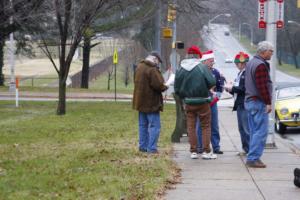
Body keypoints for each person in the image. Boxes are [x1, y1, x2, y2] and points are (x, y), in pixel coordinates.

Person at [174, 46, 217, 159]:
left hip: (188, 101)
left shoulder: (181, 68)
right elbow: (212, 82)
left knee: (191, 127)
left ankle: (193, 151)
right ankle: (206, 151)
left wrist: (183, 97)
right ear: (198, 56)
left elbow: (177, 88)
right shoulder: (202, 67)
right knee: (205, 126)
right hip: (203, 101)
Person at [244, 41, 274, 168]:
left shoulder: (251, 62)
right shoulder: (261, 65)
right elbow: (262, 86)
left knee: (254, 131)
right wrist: (268, 102)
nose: (272, 53)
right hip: (258, 101)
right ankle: (253, 158)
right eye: (270, 51)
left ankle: (253, 156)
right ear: (264, 51)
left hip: (250, 101)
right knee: (261, 132)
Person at [132, 51, 168, 153]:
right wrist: (166, 86)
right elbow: (159, 85)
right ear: (154, 59)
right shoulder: (152, 70)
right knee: (154, 126)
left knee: (142, 125)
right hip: (151, 103)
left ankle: (143, 147)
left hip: (140, 101)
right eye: (157, 62)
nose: (157, 64)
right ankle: (152, 148)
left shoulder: (139, 67)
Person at [196, 50, 225, 154]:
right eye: (210, 61)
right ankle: (200, 147)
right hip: (202, 102)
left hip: (212, 103)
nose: (213, 63)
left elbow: (219, 85)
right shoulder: (198, 71)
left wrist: (218, 94)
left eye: (213, 61)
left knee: (214, 125)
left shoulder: (215, 72)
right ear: (204, 61)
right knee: (200, 125)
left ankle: (216, 147)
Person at [224, 52, 250, 155]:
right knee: (241, 128)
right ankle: (245, 149)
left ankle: (249, 150)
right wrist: (229, 89)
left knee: (246, 128)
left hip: (244, 104)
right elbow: (237, 89)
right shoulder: (240, 73)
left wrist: (232, 88)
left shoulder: (246, 73)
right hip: (239, 103)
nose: (236, 65)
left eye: (237, 63)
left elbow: (244, 89)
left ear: (242, 63)